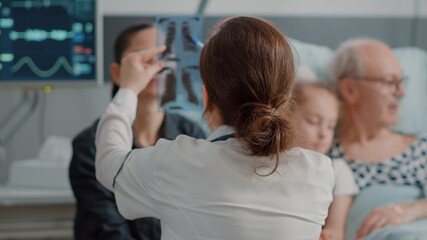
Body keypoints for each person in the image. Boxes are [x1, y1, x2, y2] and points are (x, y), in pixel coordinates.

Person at [94, 16, 334, 239]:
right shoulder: (320, 172)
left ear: (206, 96)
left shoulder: (177, 164)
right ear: (285, 95)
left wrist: (127, 90)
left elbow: (109, 163)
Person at [69, 22, 206, 240]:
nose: (156, 66)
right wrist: (129, 89)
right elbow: (107, 230)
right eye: (143, 58)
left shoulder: (191, 134)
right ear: (117, 73)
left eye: (164, 56)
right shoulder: (89, 145)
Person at [328, 38, 427, 239]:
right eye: (390, 82)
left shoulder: (422, 148)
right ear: (350, 90)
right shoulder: (324, 155)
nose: (401, 92)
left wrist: (410, 210)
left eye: (401, 81)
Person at [290, 81, 359, 240]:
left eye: (330, 126)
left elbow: (336, 229)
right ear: (286, 117)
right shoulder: (272, 162)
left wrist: (328, 236)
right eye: (313, 122)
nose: (323, 134)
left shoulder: (339, 171)